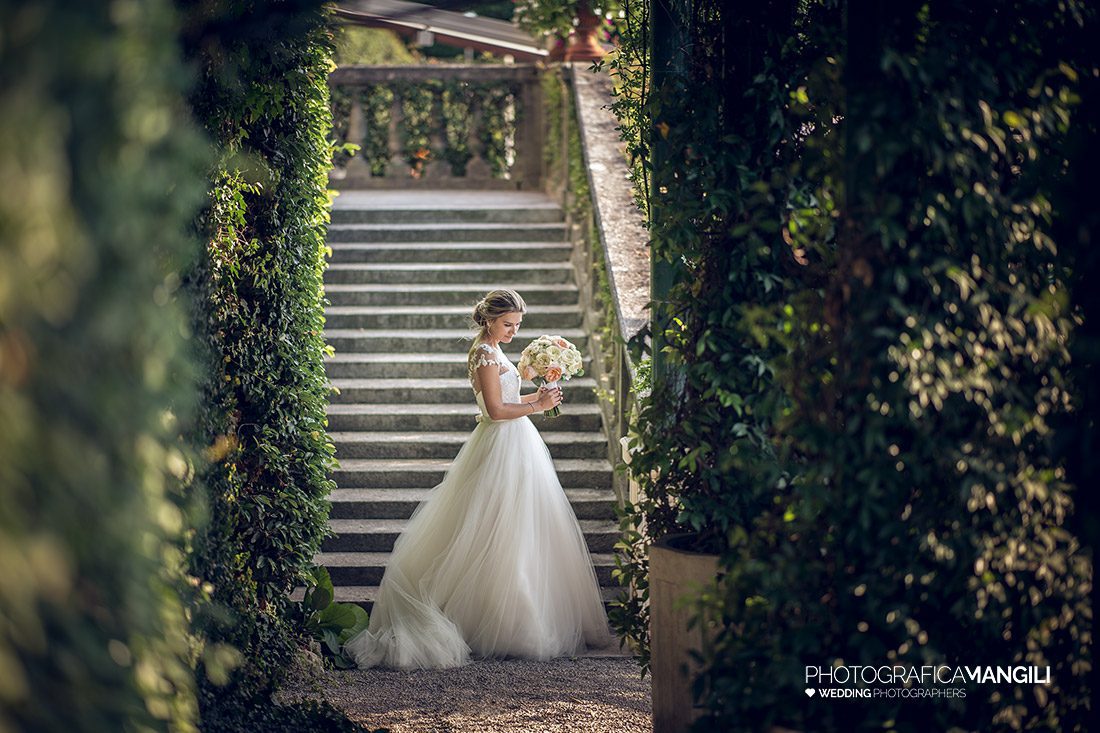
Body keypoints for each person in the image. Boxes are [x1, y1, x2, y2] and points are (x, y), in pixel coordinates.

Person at [343, 288, 609, 669]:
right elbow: (497, 410)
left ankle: (522, 616)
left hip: (519, 444)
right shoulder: (484, 353)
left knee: (519, 530)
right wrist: (539, 404)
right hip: (500, 443)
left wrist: (537, 383)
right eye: (507, 324)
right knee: (494, 528)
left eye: (518, 325)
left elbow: (508, 395)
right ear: (489, 320)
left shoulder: (495, 350)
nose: (513, 332)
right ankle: (497, 623)